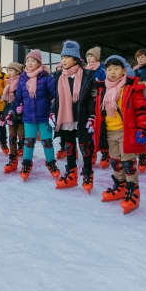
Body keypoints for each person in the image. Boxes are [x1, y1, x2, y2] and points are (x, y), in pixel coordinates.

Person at [94, 56, 146, 213]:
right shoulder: (102, 89)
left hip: (127, 132)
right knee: (115, 162)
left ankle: (133, 191)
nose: (112, 72)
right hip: (110, 132)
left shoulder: (131, 88)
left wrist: (142, 127)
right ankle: (120, 187)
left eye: (116, 68)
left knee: (128, 163)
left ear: (124, 71)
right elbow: (99, 113)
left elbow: (141, 109)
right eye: (109, 69)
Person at [6, 50, 59, 181]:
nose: (29, 63)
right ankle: (26, 164)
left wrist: (53, 110)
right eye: (27, 61)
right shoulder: (22, 79)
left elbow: (56, 96)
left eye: (33, 61)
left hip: (44, 116)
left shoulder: (47, 77)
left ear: (39, 63)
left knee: (47, 142)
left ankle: (51, 163)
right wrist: (13, 111)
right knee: (28, 142)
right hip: (28, 118)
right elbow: (18, 98)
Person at [51, 41, 97, 191]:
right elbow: (56, 98)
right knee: (68, 146)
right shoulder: (59, 76)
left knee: (85, 147)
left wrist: (92, 116)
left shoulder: (87, 76)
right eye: (62, 57)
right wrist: (52, 112)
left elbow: (92, 98)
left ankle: (87, 175)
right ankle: (71, 174)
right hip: (66, 117)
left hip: (82, 116)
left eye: (67, 57)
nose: (63, 60)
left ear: (76, 59)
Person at [0, 62, 25, 172]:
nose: (8, 73)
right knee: (12, 137)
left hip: (20, 115)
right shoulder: (8, 85)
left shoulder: (22, 82)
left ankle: (26, 161)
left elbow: (23, 98)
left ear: (18, 71)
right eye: (8, 70)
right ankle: (12, 160)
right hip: (10, 115)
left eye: (11, 70)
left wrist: (20, 108)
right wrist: (3, 115)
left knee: (22, 136)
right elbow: (7, 103)